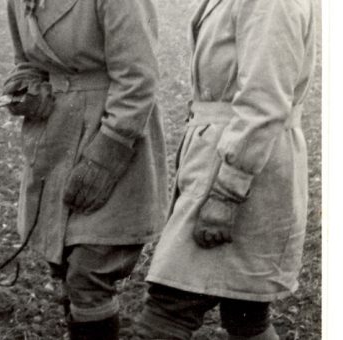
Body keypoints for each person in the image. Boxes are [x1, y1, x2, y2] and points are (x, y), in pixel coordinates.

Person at [135, 0, 317, 339]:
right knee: (245, 315)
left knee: (168, 312)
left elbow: (264, 104)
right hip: (222, 157)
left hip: (243, 170)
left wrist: (227, 192)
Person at [1, 0, 168, 338]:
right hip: (56, 139)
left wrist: (106, 157)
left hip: (114, 131)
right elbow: (27, 62)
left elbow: (137, 78)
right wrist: (25, 89)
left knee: (89, 271)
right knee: (64, 267)